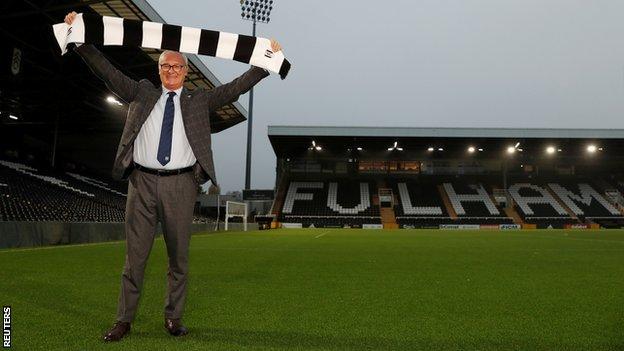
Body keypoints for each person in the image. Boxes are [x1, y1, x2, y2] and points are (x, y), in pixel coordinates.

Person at [63, 11, 281, 342]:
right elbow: (107, 71)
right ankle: (123, 320)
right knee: (134, 258)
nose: (172, 71)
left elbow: (236, 87)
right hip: (142, 183)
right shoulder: (141, 92)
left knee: (178, 258)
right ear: (158, 69)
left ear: (186, 71)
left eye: (178, 67)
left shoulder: (200, 100)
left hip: (181, 184)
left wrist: (264, 63)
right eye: (166, 66)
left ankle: (173, 317)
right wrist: (79, 40)